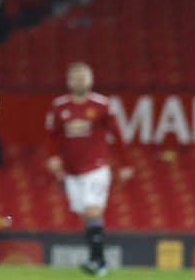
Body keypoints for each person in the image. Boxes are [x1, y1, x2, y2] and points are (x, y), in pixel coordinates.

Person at [45, 62, 133, 277]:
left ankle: (96, 262)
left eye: (83, 77)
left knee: (93, 210)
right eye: (75, 77)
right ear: (68, 81)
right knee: (86, 215)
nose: (79, 81)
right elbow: (51, 135)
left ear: (91, 80)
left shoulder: (102, 105)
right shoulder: (59, 107)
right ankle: (99, 261)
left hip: (95, 168)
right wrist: (53, 156)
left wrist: (125, 163)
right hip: (71, 171)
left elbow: (117, 134)